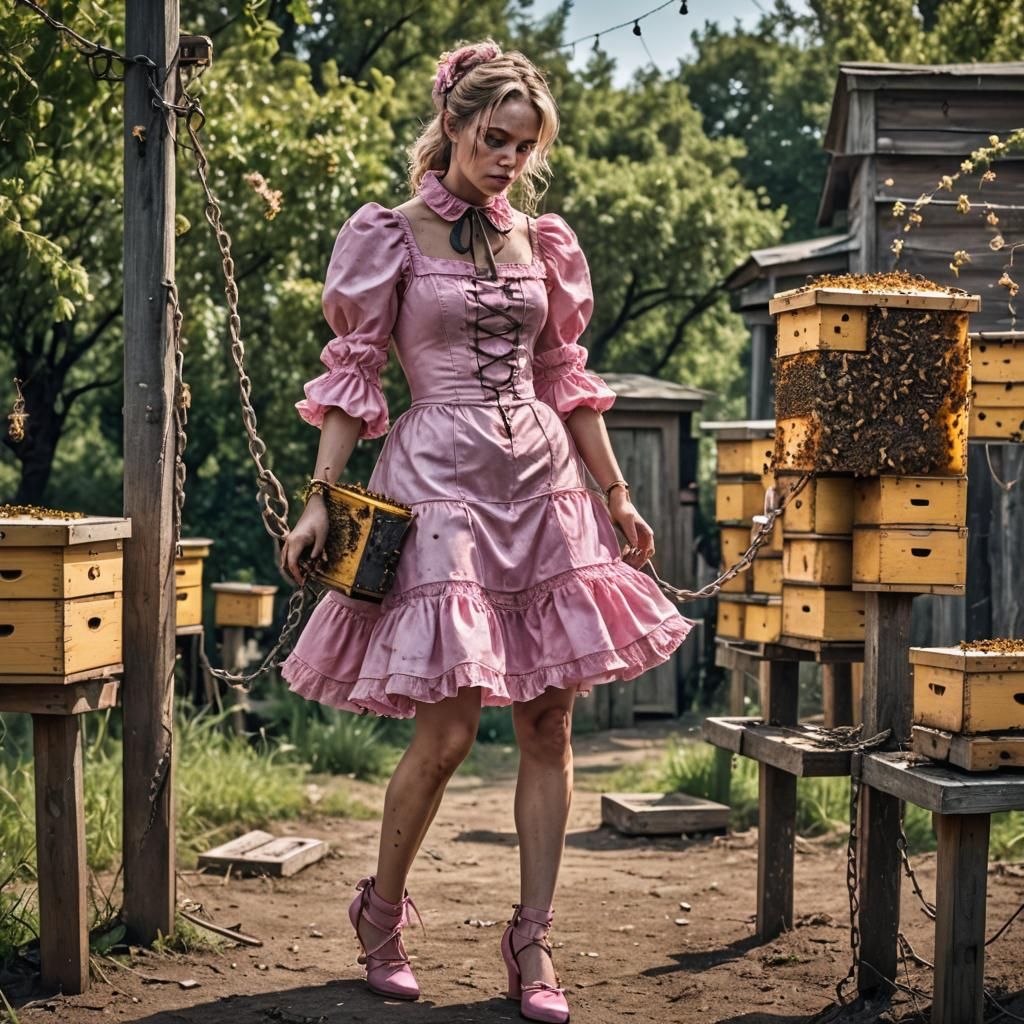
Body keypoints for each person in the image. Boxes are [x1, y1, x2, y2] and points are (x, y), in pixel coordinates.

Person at [278, 39, 693, 1024]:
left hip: (542, 482)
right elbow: (354, 372)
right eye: (494, 138)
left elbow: (567, 375)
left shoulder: (541, 240)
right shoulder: (392, 232)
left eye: (524, 144)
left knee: (550, 718)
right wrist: (319, 498)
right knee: (453, 726)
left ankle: (533, 936)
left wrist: (618, 495)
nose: (508, 158)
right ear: (454, 127)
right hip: (438, 484)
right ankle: (381, 913)